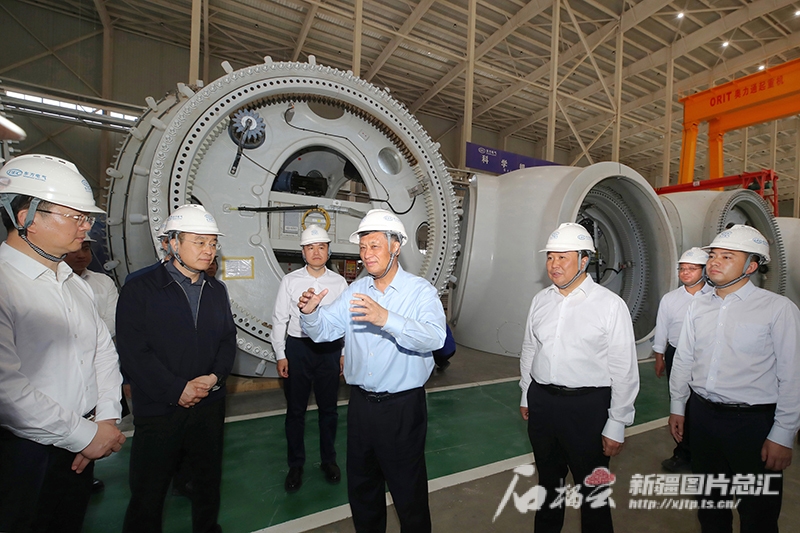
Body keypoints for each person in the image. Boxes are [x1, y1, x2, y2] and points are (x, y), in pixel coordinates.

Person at [298, 209, 446, 533]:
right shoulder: (356, 290)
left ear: (396, 246)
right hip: (361, 407)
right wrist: (310, 314)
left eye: (375, 246)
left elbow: (435, 337)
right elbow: (324, 330)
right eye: (363, 247)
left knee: (408, 495)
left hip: (402, 410)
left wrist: (386, 319)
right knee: (363, 491)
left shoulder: (420, 292)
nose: (367, 254)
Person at [0, 154, 125, 533]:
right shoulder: (6, 285)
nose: (86, 227)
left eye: (87, 218)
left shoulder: (74, 283)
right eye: (76, 216)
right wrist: (83, 436)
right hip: (23, 452)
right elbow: (7, 390)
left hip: (80, 444)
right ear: (27, 218)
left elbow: (103, 353)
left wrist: (105, 419)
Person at [669, 224, 800, 533]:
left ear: (751, 266)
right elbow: (684, 358)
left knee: (758, 515)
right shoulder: (698, 305)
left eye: (727, 256)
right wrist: (678, 406)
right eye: (713, 255)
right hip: (703, 417)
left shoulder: (778, 309)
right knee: (710, 508)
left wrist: (783, 434)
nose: (715, 262)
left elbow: (792, 375)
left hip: (752, 425)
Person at [117, 203, 236, 533]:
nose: (208, 250)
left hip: (208, 406)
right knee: (149, 492)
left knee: (207, 484)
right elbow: (134, 351)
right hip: (160, 409)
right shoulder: (140, 288)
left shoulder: (216, 290)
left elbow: (227, 341)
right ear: (171, 243)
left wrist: (214, 378)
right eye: (199, 242)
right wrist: (176, 389)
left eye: (212, 243)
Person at [519, 222, 639, 533]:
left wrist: (617, 421)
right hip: (543, 402)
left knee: (593, 491)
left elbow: (624, 368)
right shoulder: (541, 300)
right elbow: (530, 349)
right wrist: (526, 393)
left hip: (588, 408)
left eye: (563, 257)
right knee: (548, 485)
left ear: (584, 260)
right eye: (550, 257)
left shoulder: (610, 306)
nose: (553, 265)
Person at [272, 224, 348, 492]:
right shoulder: (290, 281)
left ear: (329, 251)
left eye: (321, 247)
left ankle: (329, 460)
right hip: (298, 349)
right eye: (310, 247)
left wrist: (343, 353)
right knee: (296, 411)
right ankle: (296, 465)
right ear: (303, 252)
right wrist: (281, 354)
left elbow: (345, 321)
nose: (316, 252)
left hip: (329, 350)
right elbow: (279, 319)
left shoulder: (339, 283)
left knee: (329, 409)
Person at [64, 234, 124, 493]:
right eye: (77, 249)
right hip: (68, 372)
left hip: (99, 363)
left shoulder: (102, 282)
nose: (81, 254)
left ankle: (86, 476)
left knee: (95, 421)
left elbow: (112, 322)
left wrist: (89, 336)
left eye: (86, 249)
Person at [653, 247, 712, 473]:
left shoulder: (715, 298)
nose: (685, 273)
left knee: (702, 405)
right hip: (676, 354)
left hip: (705, 356)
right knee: (680, 404)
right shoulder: (670, 299)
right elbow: (662, 329)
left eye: (691, 268)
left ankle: (704, 452)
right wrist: (659, 356)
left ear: (704, 271)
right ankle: (683, 452)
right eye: (682, 269)